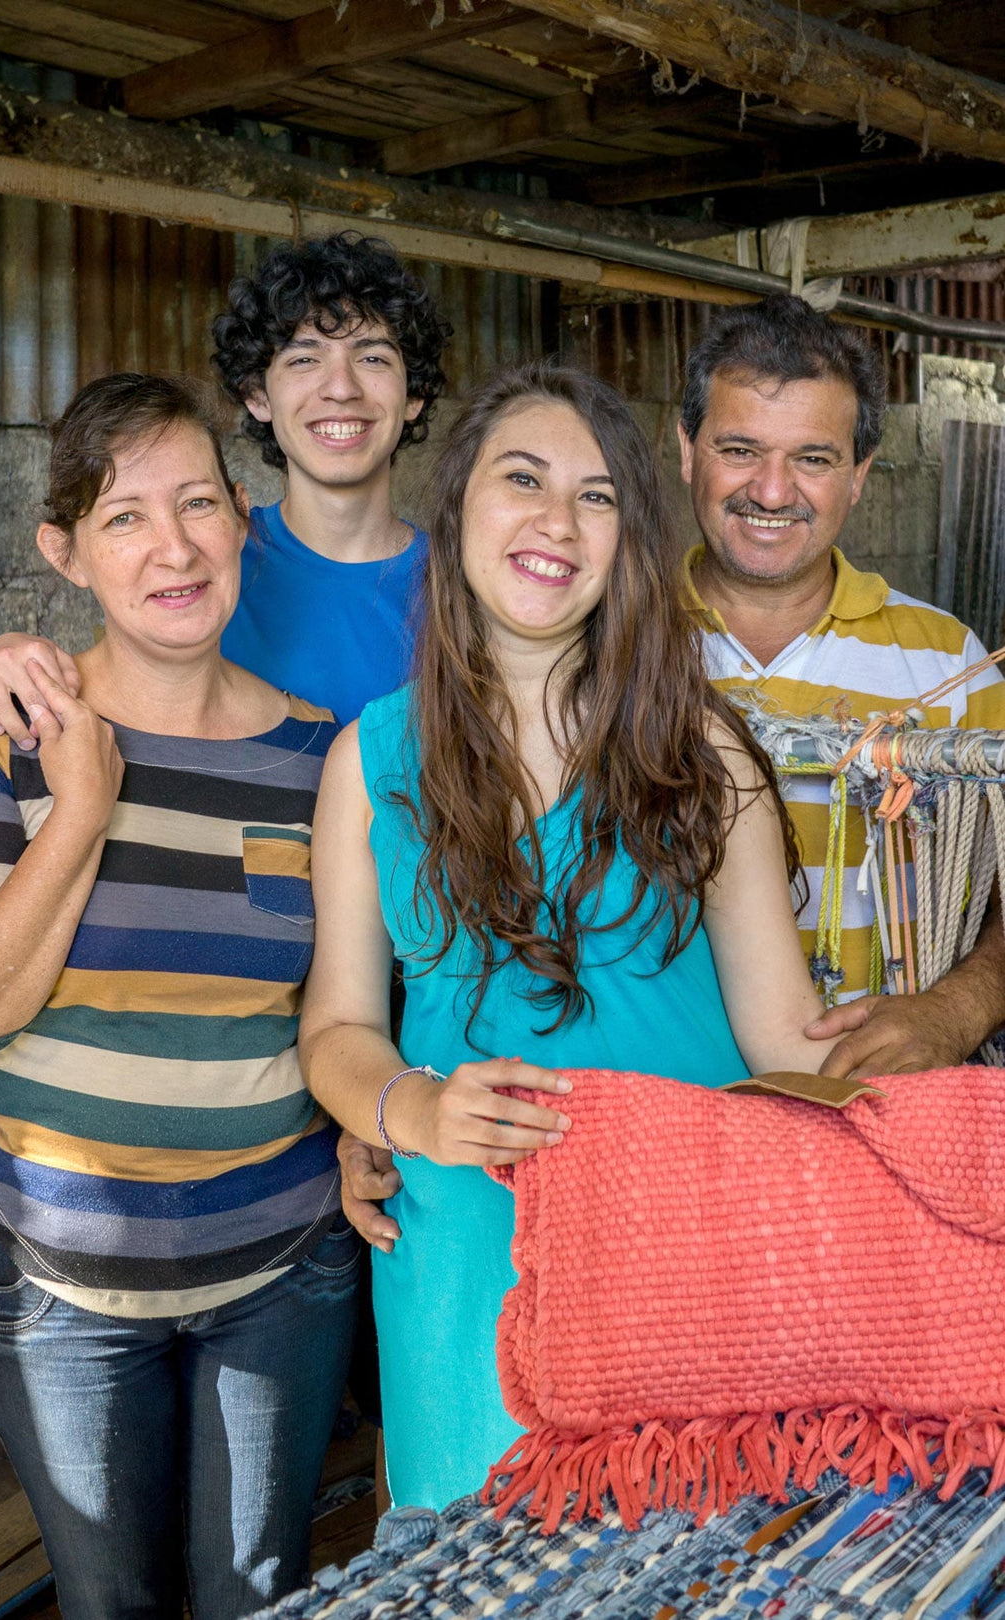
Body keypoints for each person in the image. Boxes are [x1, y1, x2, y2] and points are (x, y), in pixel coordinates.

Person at [298, 361, 842, 1512]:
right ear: (457, 515)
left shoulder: (706, 758)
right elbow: (340, 1026)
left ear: (629, 544)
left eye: (597, 497)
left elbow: (790, 1042)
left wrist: (922, 1115)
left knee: (678, 1569)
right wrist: (414, 1111)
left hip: (687, 1261)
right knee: (475, 1568)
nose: (557, 521)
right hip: (466, 1267)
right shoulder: (368, 762)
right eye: (524, 479)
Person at [0, 375, 357, 1618]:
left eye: (200, 505)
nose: (173, 548)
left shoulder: (321, 756)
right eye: (123, 518)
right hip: (59, 1294)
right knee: (109, 1604)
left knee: (256, 1594)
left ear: (242, 524)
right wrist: (84, 810)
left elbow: (346, 1004)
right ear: (64, 551)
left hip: (282, 1271)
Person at [677, 293, 1005, 1077]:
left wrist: (958, 1010)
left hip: (883, 1097)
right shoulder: (615, 648)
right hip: (663, 1094)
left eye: (813, 459)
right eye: (740, 449)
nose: (771, 490)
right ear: (686, 450)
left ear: (858, 476)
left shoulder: (945, 663)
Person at [0, 230, 451, 733]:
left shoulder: (464, 586)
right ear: (256, 394)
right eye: (304, 358)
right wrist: (6, 651)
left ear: (415, 394)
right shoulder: (201, 564)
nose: (341, 388)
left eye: (372, 358)